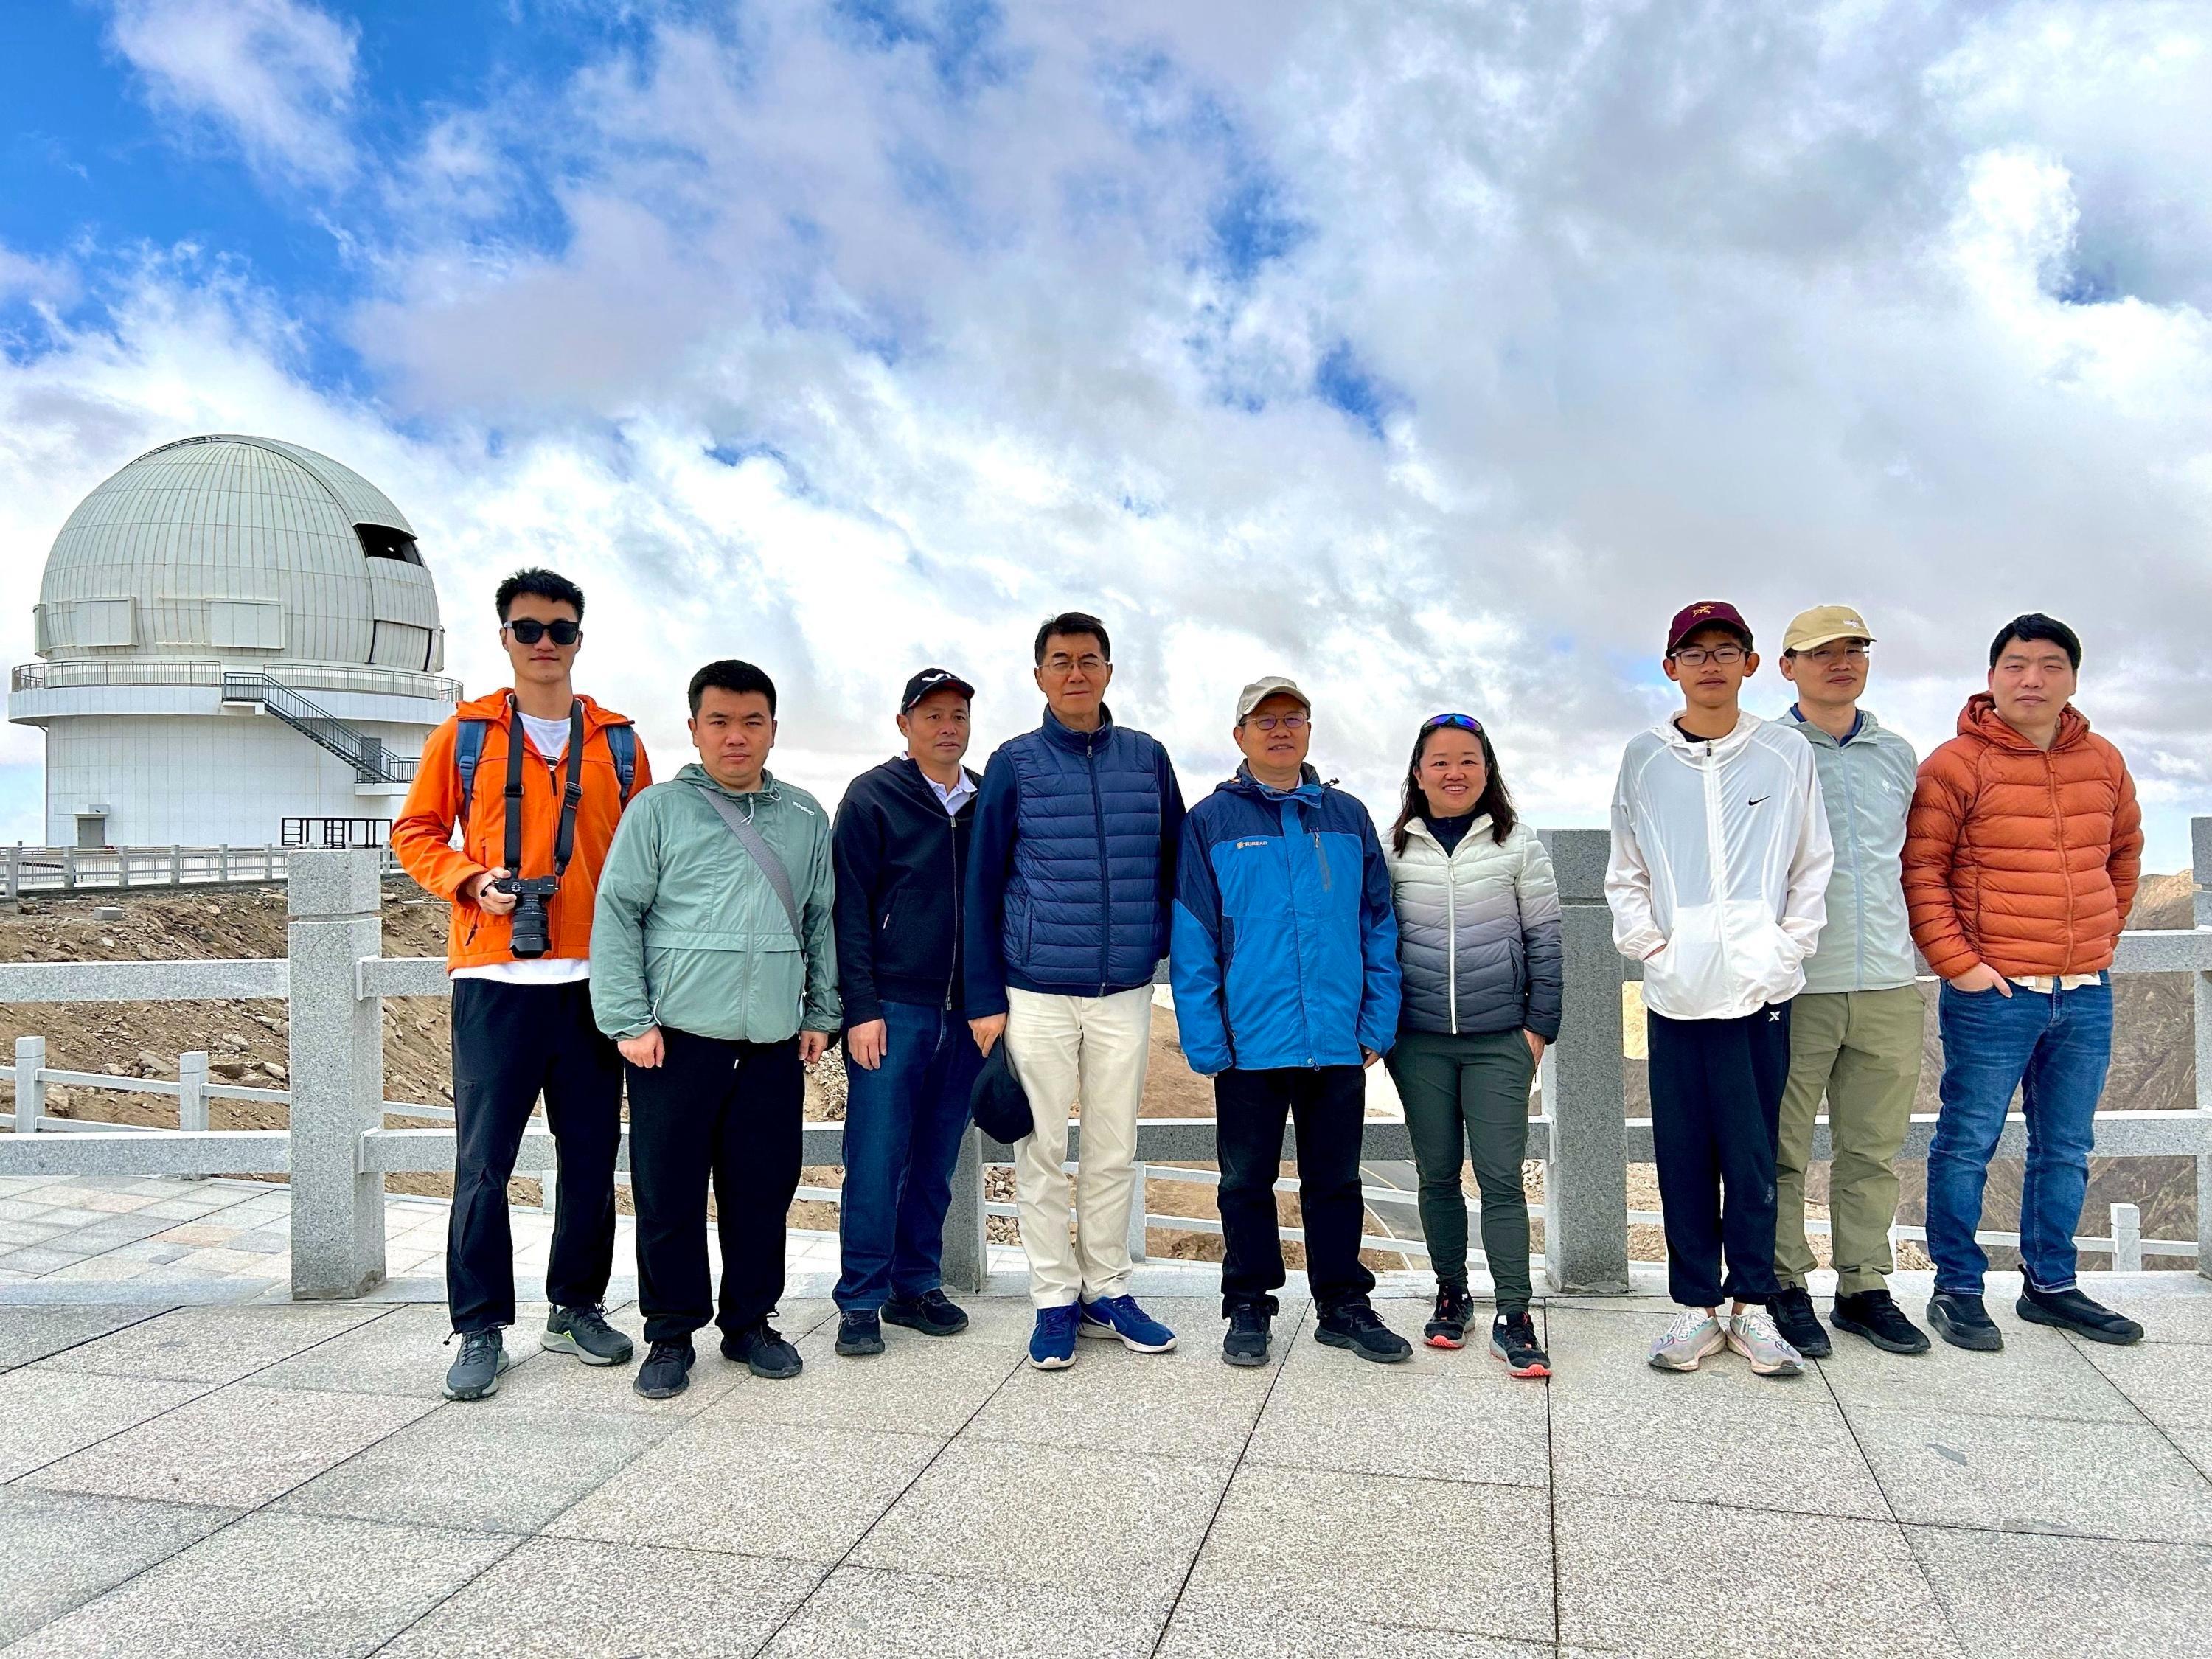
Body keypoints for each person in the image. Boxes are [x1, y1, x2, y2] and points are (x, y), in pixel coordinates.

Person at [392, 567, 650, 1402]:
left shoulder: (618, 743)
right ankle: (478, 1326)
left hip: (594, 982)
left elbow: (648, 853)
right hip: (494, 979)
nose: (545, 643)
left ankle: (575, 1307)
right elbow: (415, 831)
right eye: (529, 628)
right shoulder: (464, 735)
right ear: (504, 637)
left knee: (591, 1158)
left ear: (579, 639)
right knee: (483, 1163)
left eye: (560, 630)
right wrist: (471, 880)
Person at [592, 659, 840, 1399]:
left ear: (772, 729)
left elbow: (821, 920)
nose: (737, 737)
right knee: (668, 1193)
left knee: (762, 1190)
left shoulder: (805, 816)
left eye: (752, 722)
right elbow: (619, 912)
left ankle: (750, 1323)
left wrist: (822, 1011)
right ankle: (670, 1334)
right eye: (720, 722)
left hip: (771, 1043)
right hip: (674, 1041)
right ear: (695, 728)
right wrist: (629, 1021)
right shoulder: (659, 811)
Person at [1904, 614, 2146, 1350]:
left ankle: (2052, 1285)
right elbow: (1923, 872)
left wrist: (2101, 938)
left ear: (2073, 678)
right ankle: (1957, 1288)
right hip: (1995, 995)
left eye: (2049, 665)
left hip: (2086, 990)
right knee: (1967, 1141)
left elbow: (2124, 853)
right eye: (2015, 665)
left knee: (2066, 1146)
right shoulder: (1954, 765)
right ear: (1992, 676)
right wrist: (1962, 965)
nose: (2032, 679)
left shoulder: (2102, 760)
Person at [1607, 600, 1832, 1379]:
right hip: (1677, 994)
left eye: (1725, 649)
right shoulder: (1645, 757)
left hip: (1760, 994)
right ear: (1671, 667)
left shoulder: (1783, 753)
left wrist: (1784, 949)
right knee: (1683, 1156)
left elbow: (1811, 861)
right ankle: (1697, 1307)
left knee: (1755, 1155)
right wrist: (1654, 949)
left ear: (1751, 663)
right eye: (1694, 652)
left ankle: (1753, 1307)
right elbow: (1627, 869)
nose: (1710, 664)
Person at [965, 611, 1186, 1369]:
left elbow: (1176, 862)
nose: (1075, 673)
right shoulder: (1014, 763)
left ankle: (1108, 1291)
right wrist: (985, 996)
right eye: (1060, 662)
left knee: (1114, 1149)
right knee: (1040, 1150)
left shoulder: (1148, 758)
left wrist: (1160, 945)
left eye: (1089, 660)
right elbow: (983, 881)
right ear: (1039, 677)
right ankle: (1054, 1298)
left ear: (1109, 672)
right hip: (1035, 990)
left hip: (1125, 988)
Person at [1171, 677, 1408, 1368]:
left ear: (1309, 729)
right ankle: (1248, 1304)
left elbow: (1378, 923)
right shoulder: (1210, 822)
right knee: (1245, 1183)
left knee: (1336, 1181)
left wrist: (1377, 1021)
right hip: (1249, 1042)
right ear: (1240, 735)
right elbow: (1193, 934)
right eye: (1264, 720)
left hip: (1336, 1038)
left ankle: (1343, 1305)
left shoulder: (1348, 816)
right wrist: (1207, 1038)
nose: (1280, 730)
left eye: (1293, 718)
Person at [1769, 607, 1931, 1357]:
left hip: (1889, 981)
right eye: (1821, 652)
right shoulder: (1765, 752)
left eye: (1854, 649)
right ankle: (1782, 1284)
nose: (1841, 662)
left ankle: (1864, 1288)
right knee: (1781, 1148)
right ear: (1787, 666)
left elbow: (1916, 860)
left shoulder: (1897, 754)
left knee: (1872, 1149)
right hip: (1796, 984)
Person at [1382, 712, 1559, 1378]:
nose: (1454, 773)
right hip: (1419, 1043)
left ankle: (1514, 1313)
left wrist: (1539, 1029)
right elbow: (1378, 941)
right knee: (1436, 1174)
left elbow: (1546, 942)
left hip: (1499, 1041)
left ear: (1488, 772)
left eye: (1468, 761)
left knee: (1501, 1179)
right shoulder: (1394, 850)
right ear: (1419, 773)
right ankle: (1451, 1294)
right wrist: (1385, 1029)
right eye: (1440, 761)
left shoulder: (1519, 845)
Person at [828, 668, 985, 1357]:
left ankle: (915, 1284)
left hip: (968, 1014)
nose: (947, 727)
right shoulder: (872, 796)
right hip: (892, 1009)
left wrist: (991, 1001)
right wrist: (860, 1008)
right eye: (932, 716)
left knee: (936, 1157)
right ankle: (861, 1297)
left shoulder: (987, 798)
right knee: (876, 1157)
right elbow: (848, 910)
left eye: (958, 715)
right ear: (904, 724)